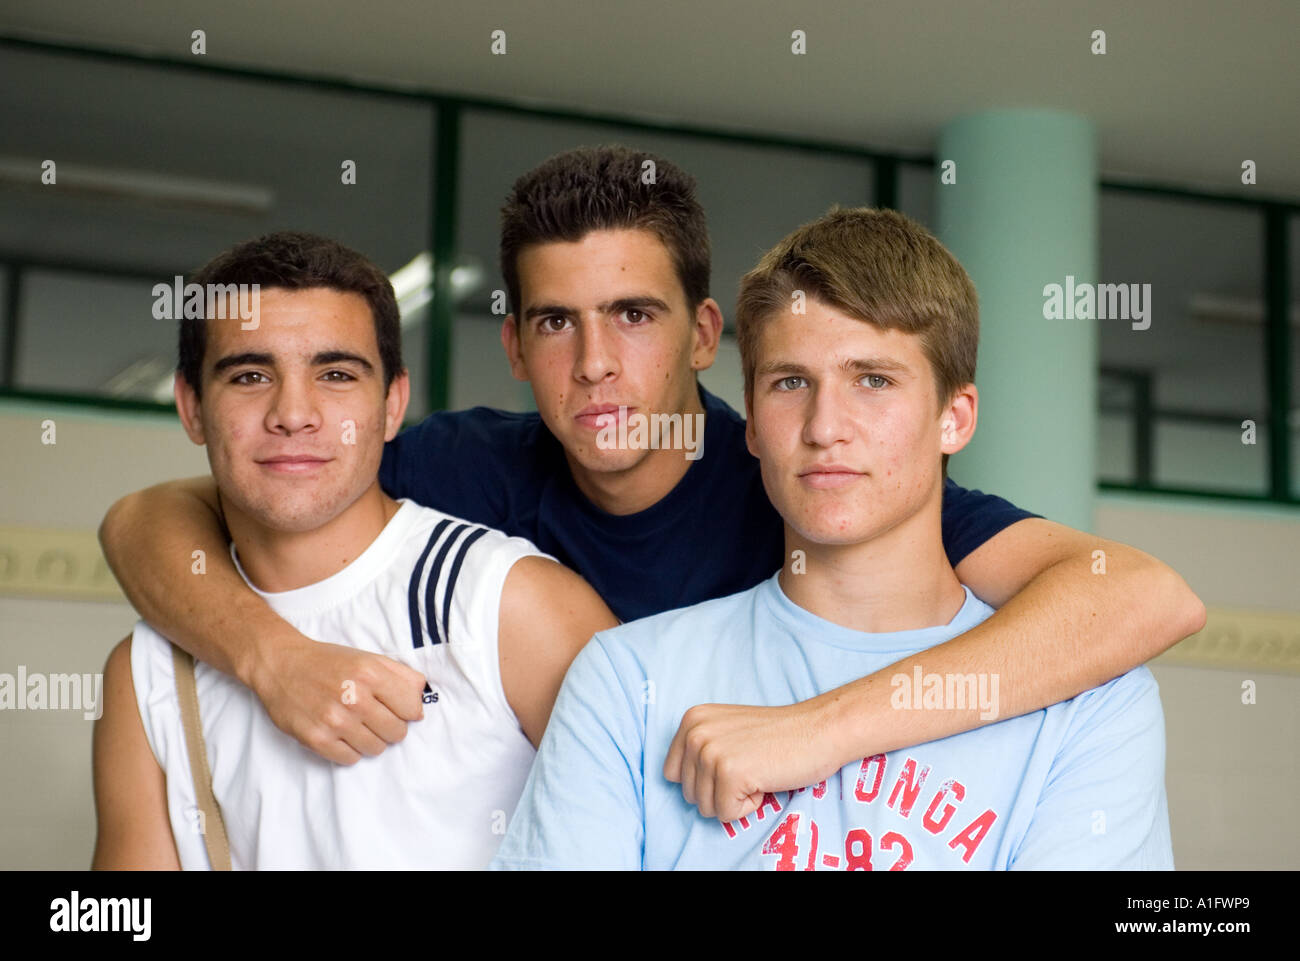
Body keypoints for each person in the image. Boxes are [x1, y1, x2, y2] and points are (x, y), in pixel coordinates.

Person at [99, 145, 1204, 825]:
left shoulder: (804, 482)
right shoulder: (454, 468)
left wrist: (815, 730)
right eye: (555, 322)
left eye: (633, 315)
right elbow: (155, 515)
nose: (594, 363)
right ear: (516, 345)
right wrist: (271, 658)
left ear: (703, 334)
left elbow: (1143, 594)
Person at [491, 208, 1174, 869]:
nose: (825, 426)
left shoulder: (1095, 699)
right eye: (791, 382)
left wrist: (817, 732)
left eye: (872, 380)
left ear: (955, 418)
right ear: (752, 423)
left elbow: (1149, 594)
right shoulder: (624, 682)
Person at [91, 232, 616, 869]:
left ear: (393, 405)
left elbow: (652, 849)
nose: (293, 413)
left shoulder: (515, 607)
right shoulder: (148, 670)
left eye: (335, 374)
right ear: (192, 407)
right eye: (251, 375)